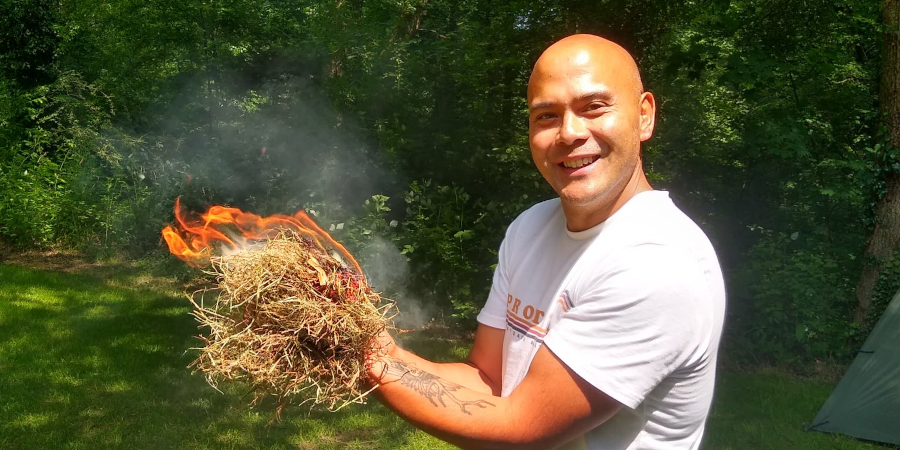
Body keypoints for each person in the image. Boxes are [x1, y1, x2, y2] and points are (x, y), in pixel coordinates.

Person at [366, 34, 726, 450]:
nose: (569, 133)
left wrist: (364, 360)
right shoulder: (530, 227)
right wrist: (378, 348)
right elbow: (488, 380)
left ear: (644, 116)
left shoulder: (656, 263)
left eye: (594, 107)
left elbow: (519, 430)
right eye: (547, 116)